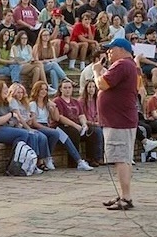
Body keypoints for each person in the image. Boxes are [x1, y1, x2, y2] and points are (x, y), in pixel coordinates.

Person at [93, 38, 141, 210]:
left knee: (120, 159)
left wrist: (97, 71)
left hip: (118, 121)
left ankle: (126, 197)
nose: (108, 53)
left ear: (121, 49)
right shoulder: (129, 65)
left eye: (111, 49)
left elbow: (102, 84)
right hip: (122, 119)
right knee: (124, 159)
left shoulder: (122, 64)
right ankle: (123, 194)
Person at [25, 82, 94, 170]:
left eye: (45, 89)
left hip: (47, 126)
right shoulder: (33, 104)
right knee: (55, 133)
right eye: (41, 89)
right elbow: (34, 123)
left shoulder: (47, 103)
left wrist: (54, 108)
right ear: (36, 90)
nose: (44, 91)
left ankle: (79, 161)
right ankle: (48, 158)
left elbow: (56, 118)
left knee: (65, 138)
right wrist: (48, 128)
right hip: (38, 127)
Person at [0, 80, 50, 167]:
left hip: (6, 128)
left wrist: (12, 119)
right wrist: (10, 115)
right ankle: (16, 163)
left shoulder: (5, 104)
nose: (7, 90)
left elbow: (13, 120)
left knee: (31, 135)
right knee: (24, 133)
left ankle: (33, 162)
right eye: (5, 88)